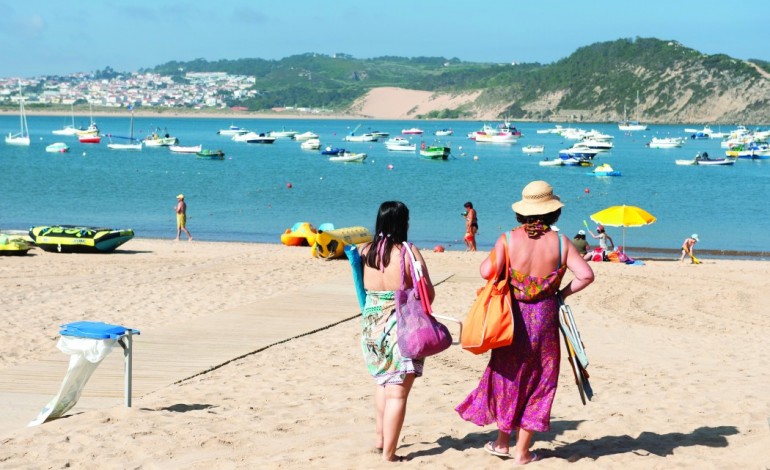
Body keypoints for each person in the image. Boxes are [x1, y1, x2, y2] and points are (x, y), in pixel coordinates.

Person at [455, 181, 594, 465]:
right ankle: (522, 452)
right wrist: (560, 294)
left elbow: (486, 271)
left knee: (508, 376)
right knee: (541, 381)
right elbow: (586, 275)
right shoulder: (561, 242)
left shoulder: (508, 239)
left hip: (512, 317)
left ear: (523, 211)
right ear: (552, 212)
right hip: (544, 317)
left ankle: (502, 442)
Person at [359, 201, 435, 463]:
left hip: (371, 324)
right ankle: (389, 455)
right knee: (398, 392)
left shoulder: (365, 251)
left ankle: (380, 440)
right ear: (403, 223)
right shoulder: (407, 252)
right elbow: (428, 294)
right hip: (398, 326)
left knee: (382, 382)